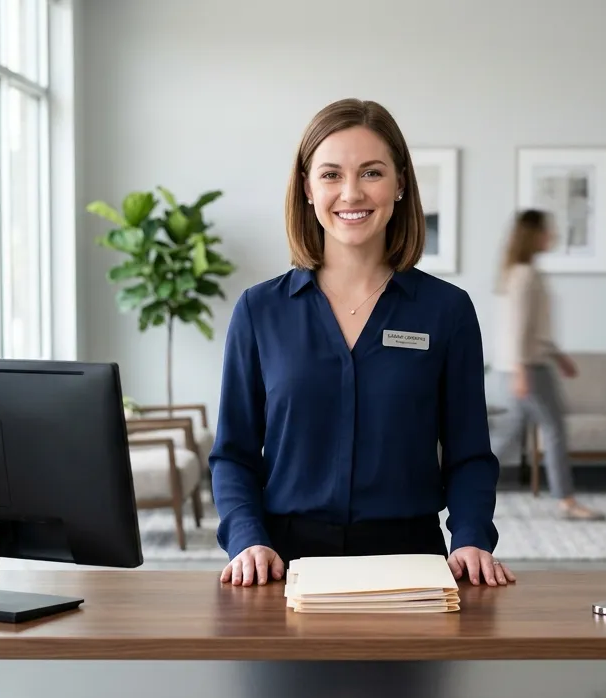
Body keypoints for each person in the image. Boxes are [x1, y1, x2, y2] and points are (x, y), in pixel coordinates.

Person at [209, 97, 514, 589]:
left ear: (399, 186)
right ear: (307, 189)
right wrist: (246, 538)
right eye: (330, 174)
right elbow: (234, 454)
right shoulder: (259, 310)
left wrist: (472, 536)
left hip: (411, 561)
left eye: (371, 173)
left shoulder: (447, 311)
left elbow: (469, 453)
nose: (351, 193)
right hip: (283, 566)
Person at [488, 209, 604, 521]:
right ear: (533, 234)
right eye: (547, 230)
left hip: (517, 367)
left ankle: (453, 488)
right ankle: (567, 501)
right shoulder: (525, 275)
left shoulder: (519, 272)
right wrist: (522, 371)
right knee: (554, 431)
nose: (552, 235)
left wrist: (558, 355)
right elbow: (517, 327)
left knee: (508, 437)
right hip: (527, 370)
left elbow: (534, 328)